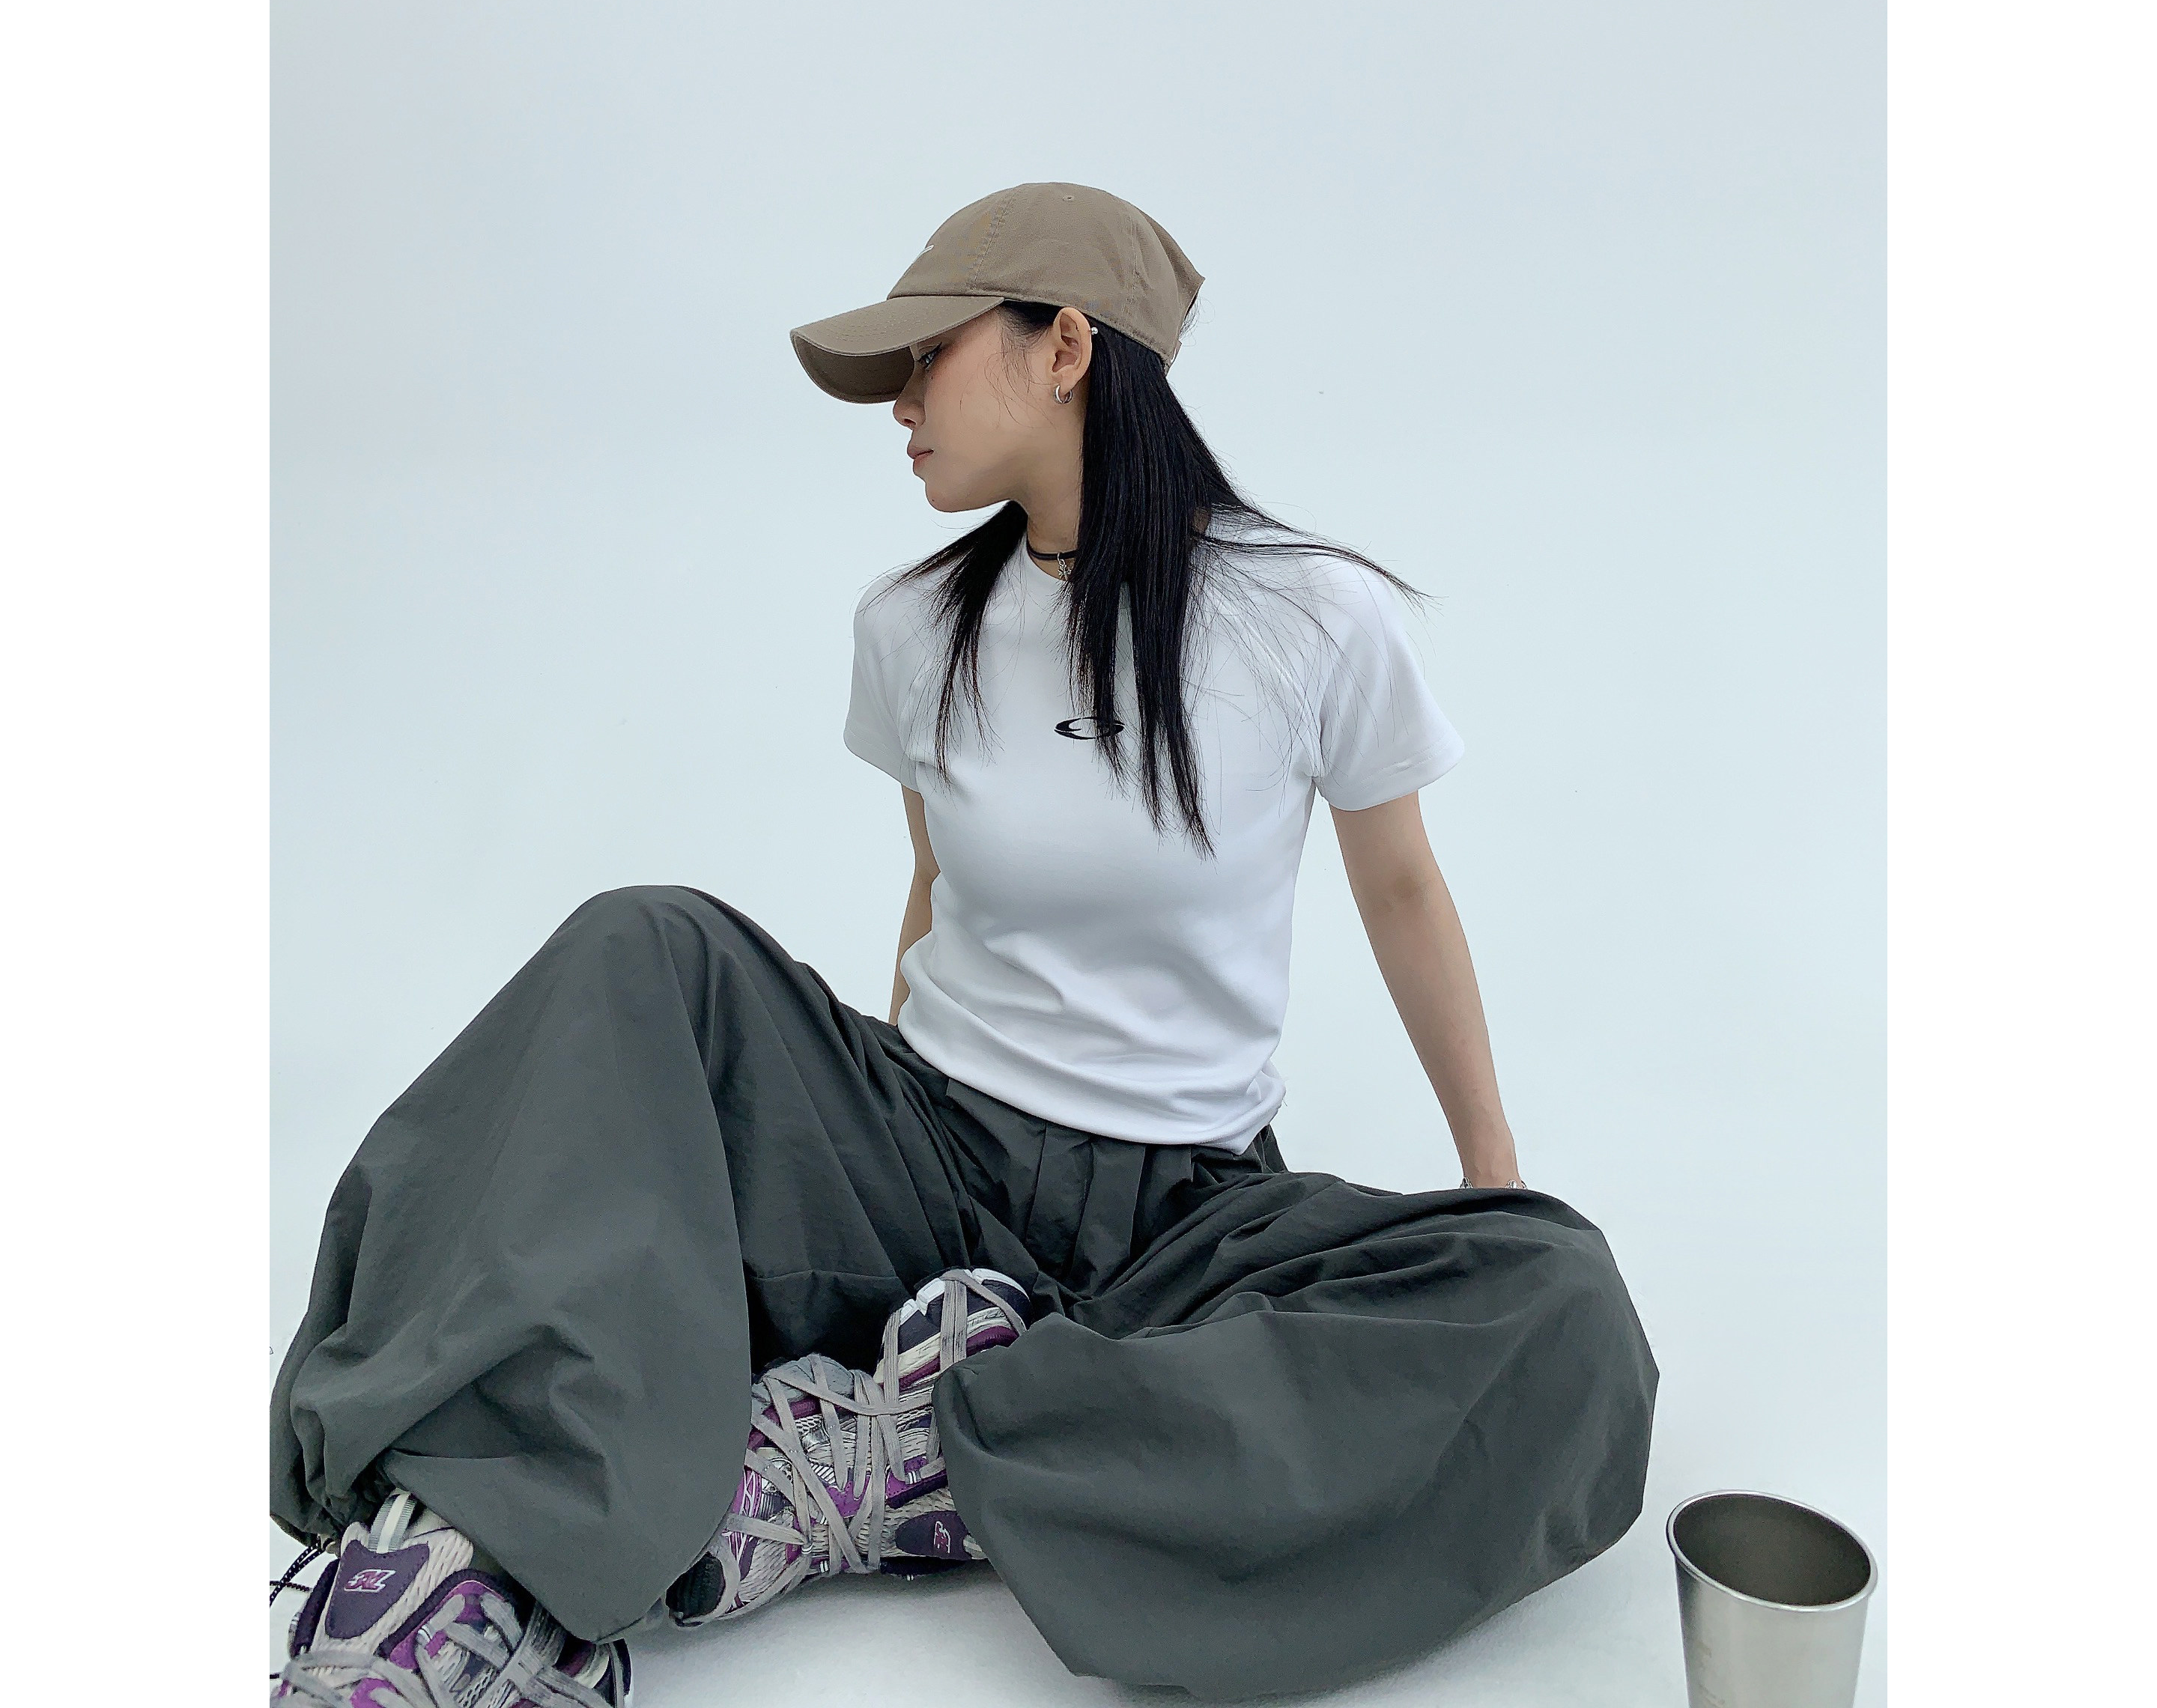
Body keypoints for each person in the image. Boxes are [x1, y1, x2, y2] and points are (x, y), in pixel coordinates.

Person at [270, 182, 1657, 1706]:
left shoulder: (1315, 618)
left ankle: (907, 1451)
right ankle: (477, 1545)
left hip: (1186, 1218)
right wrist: (841, 1172)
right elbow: (930, 891)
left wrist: (1492, 1179)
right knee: (641, 948)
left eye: (928, 356)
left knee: (1563, 1305)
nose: (901, 403)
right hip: (929, 1147)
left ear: (1066, 348)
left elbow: (1404, 896)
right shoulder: (912, 626)